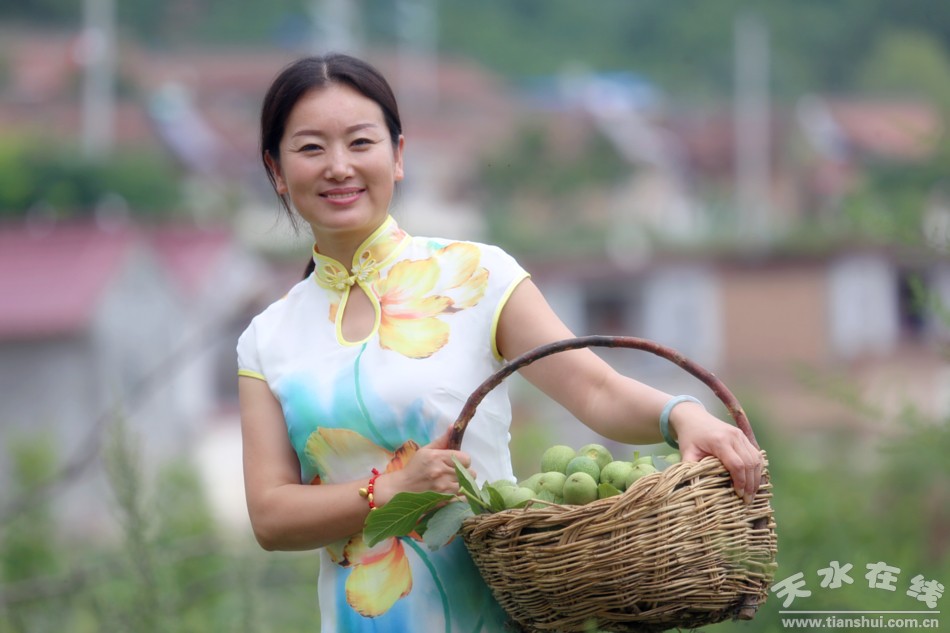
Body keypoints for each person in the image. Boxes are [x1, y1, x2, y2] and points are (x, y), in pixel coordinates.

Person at [237, 53, 764, 632]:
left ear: (399, 155)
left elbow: (593, 389)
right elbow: (271, 515)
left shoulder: (476, 276)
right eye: (311, 148)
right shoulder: (269, 338)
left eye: (361, 142)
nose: (339, 167)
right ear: (277, 170)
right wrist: (391, 489)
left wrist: (682, 415)